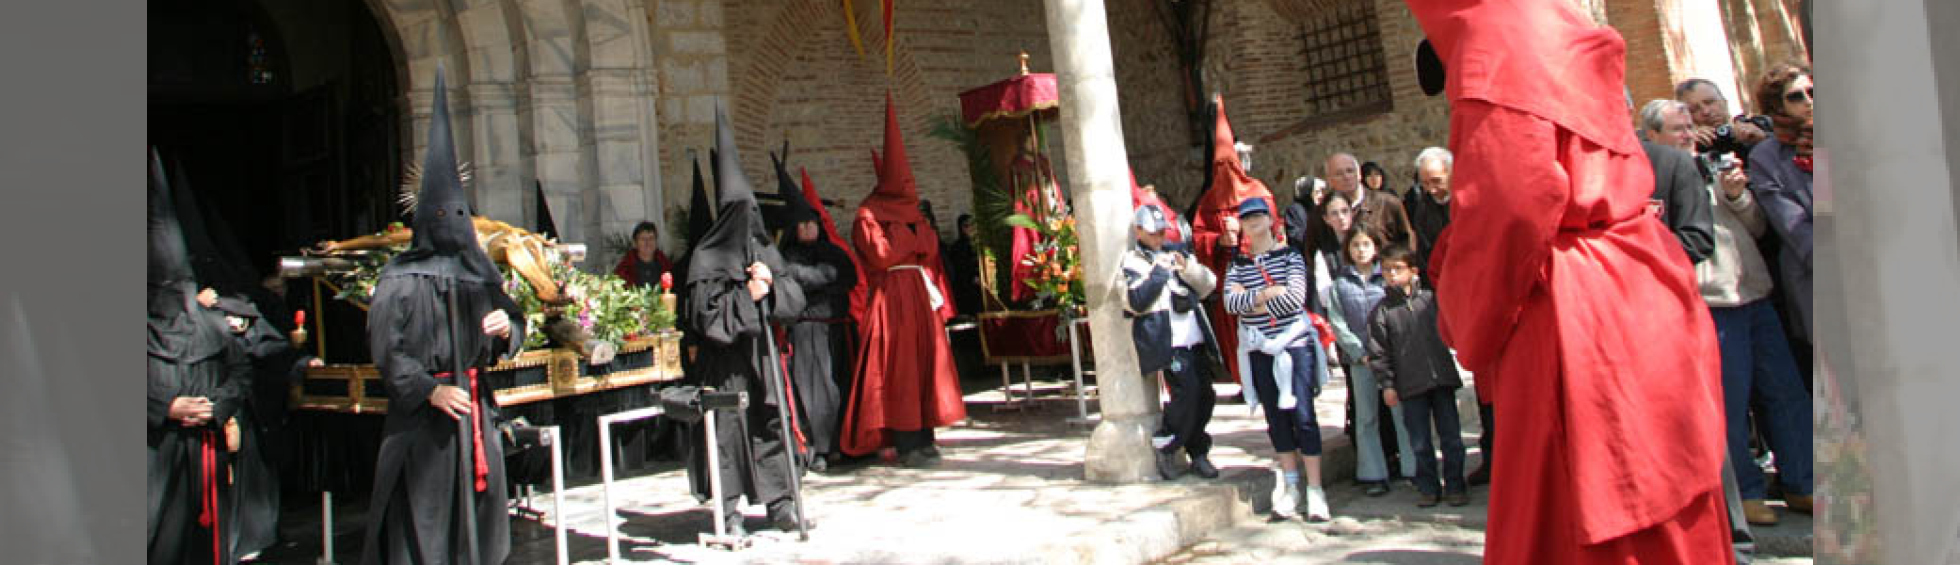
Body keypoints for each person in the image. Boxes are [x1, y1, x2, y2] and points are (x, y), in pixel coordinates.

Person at [1411, 0, 1733, 561]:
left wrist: (1462, 314)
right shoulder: (1549, 19)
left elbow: (1510, 204)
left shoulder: (1496, 36)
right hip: (1639, 286)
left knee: (1585, 511)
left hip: (1574, 309)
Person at [359, 70, 528, 565]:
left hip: (477, 412)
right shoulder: (397, 280)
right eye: (444, 219)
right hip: (422, 425)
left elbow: (515, 322)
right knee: (426, 532)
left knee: (482, 523)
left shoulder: (478, 272)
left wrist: (507, 329)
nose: (454, 229)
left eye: (461, 217)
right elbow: (388, 353)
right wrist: (430, 390)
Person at [680, 105, 815, 537]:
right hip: (726, 365)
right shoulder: (707, 257)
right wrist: (747, 296)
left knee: (771, 424)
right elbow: (706, 316)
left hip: (765, 358)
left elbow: (794, 299)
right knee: (727, 434)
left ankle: (781, 505)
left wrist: (772, 288)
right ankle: (731, 511)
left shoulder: (766, 251)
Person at [840, 93, 965, 468]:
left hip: (916, 294)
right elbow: (881, 255)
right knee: (898, 367)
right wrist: (909, 238)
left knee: (926, 363)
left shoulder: (910, 211)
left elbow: (929, 248)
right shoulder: (868, 212)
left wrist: (909, 236)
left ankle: (926, 434)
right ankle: (906, 441)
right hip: (891, 297)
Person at [149, 149, 252, 565]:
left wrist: (215, 406)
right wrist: (165, 407)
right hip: (152, 456)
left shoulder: (210, 325)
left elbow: (241, 373)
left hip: (204, 455)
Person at [1223, 197, 1333, 522]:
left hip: (1292, 345)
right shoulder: (1238, 265)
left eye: (1258, 216)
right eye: (1246, 218)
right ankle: (1291, 484)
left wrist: (1253, 302)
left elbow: (1294, 300)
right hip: (1260, 349)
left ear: (1271, 220)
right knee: (1276, 416)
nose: (1253, 222)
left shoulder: (1291, 258)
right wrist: (1264, 294)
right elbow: (1231, 303)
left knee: (1303, 414)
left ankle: (1315, 489)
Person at [771, 149, 859, 473]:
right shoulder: (787, 256)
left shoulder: (832, 251)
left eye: (814, 224)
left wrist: (817, 279)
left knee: (840, 386)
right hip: (807, 331)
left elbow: (847, 275)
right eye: (804, 225)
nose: (810, 230)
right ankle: (819, 447)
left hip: (837, 329)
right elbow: (794, 280)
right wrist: (821, 278)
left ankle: (844, 443)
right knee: (814, 392)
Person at [1122, 203, 1220, 481]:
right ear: (1139, 231)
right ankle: (1168, 445)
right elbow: (1135, 301)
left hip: (1194, 338)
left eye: (1161, 232)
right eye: (1152, 233)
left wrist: (1186, 268)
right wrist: (1159, 273)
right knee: (1185, 396)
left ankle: (1198, 451)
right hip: (1170, 343)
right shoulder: (1133, 261)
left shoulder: (1177, 253)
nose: (1158, 238)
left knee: (1205, 397)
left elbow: (1208, 285)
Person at [1366, 245, 1469, 508]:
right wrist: (1387, 384)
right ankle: (1428, 487)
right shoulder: (1381, 312)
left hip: (1441, 378)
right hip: (1410, 385)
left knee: (1451, 438)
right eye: (1387, 269)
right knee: (1420, 441)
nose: (1391, 274)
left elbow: (1452, 329)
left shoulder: (1431, 300)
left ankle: (1456, 485)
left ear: (1412, 271)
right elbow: (1379, 353)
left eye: (1397, 269)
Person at [1327, 227, 1415, 496]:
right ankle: (1372, 473)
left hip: (1392, 358)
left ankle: (1413, 469)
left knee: (1402, 414)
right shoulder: (1340, 284)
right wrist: (1357, 351)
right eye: (1355, 245)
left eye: (1366, 244)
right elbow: (1337, 322)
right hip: (1360, 360)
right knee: (1366, 418)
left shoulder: (1387, 278)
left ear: (1375, 247)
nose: (1361, 250)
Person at [1747, 62, 1815, 345]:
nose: (1808, 101)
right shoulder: (1767, 157)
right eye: (1795, 96)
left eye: (1811, 92)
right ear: (1777, 105)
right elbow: (1791, 224)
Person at [1640, 100, 1718, 265]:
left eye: (1690, 127)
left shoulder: (1712, 164)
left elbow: (1698, 239)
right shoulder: (1646, 171)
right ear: (1652, 134)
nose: (1689, 135)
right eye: (1677, 129)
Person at [1325, 152, 1416, 253]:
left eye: (1350, 171)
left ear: (1359, 174)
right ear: (1330, 180)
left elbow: (1408, 242)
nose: (1346, 177)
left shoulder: (1388, 203)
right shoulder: (1323, 212)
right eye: (1339, 174)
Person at [1676, 78, 1773, 161]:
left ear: (1724, 101)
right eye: (1694, 109)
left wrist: (1762, 139)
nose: (1706, 111)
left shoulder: (1761, 125)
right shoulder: (1690, 147)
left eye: (1710, 102)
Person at [613, 221, 674, 289]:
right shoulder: (624, 269)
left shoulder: (666, 266)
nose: (648, 243)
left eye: (651, 238)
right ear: (635, 243)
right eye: (643, 239)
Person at [947, 214, 984, 316]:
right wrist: (972, 277)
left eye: (972, 225)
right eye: (966, 226)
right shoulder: (957, 248)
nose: (971, 229)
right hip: (967, 290)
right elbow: (959, 268)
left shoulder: (980, 244)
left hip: (983, 287)